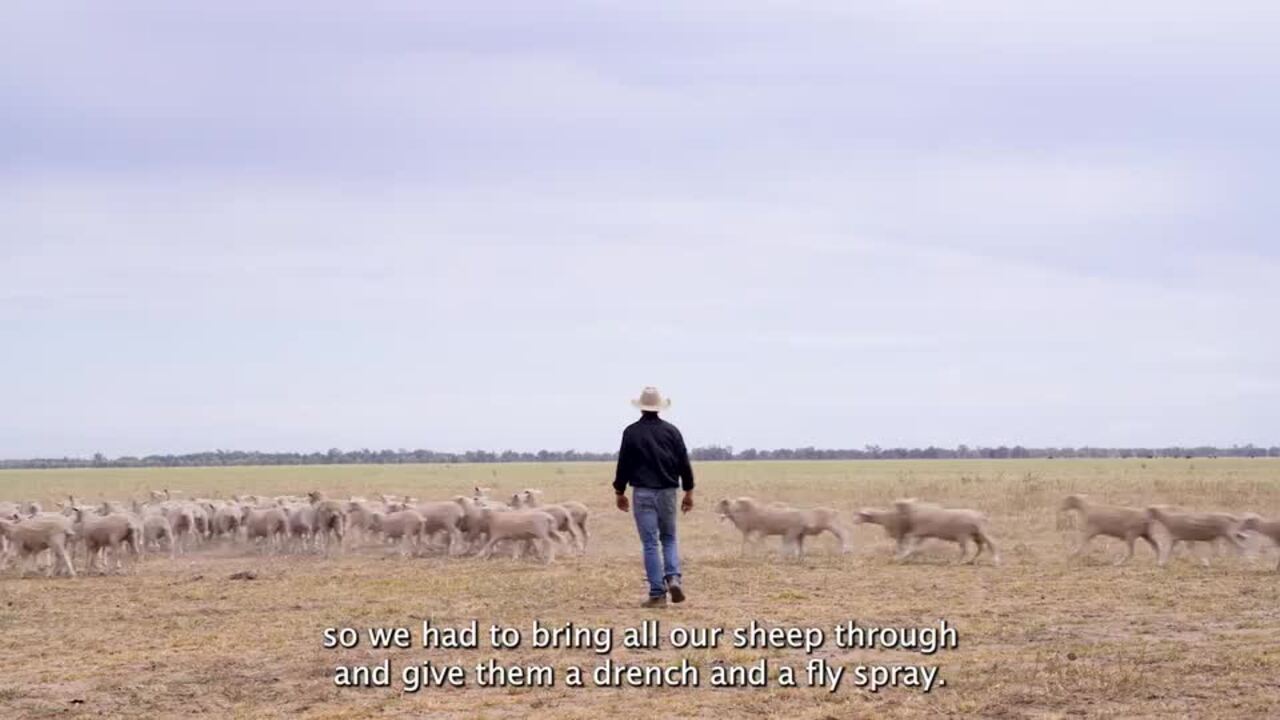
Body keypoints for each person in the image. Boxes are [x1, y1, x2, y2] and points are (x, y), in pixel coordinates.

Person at [613, 386, 695, 607]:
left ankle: (657, 594)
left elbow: (623, 465)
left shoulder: (631, 432)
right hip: (668, 492)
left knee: (650, 543)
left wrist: (619, 492)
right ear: (659, 407)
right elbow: (684, 463)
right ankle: (673, 577)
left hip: (643, 493)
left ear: (641, 408)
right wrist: (688, 492)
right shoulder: (672, 431)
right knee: (668, 538)